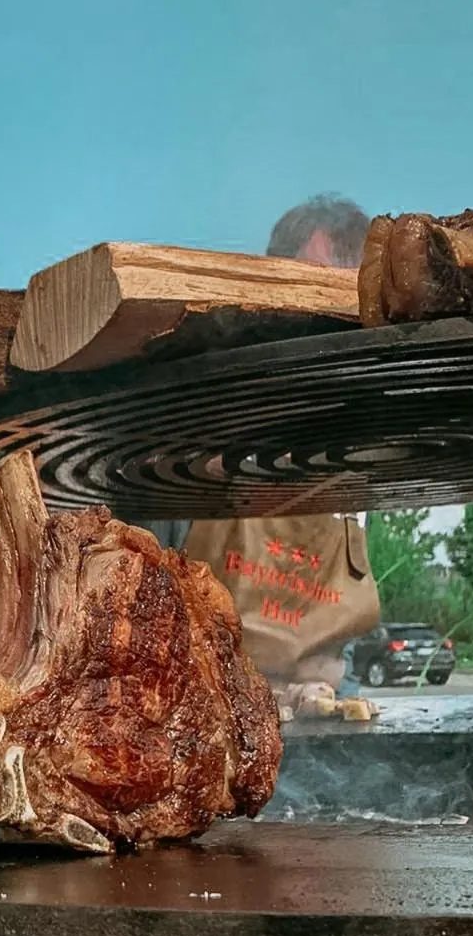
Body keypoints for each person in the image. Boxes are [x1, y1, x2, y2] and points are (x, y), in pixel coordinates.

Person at [137, 194, 376, 697]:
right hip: (210, 697)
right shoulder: (202, 414)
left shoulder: (354, 434)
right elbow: (146, 593)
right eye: (315, 289)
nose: (332, 322)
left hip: (325, 699)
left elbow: (343, 601)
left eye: (349, 300)